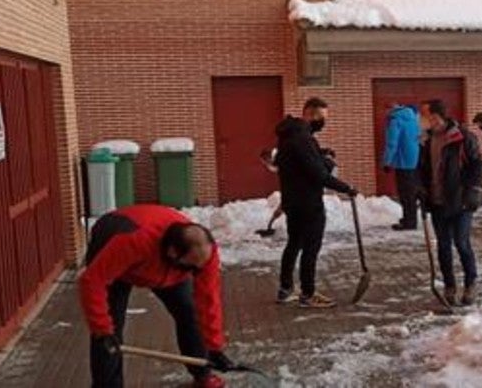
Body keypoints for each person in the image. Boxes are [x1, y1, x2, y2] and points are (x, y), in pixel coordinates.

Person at [79, 205, 235, 388]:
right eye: (190, 267)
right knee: (109, 333)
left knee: (189, 312)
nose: (195, 273)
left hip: (158, 265)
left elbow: (208, 299)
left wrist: (214, 347)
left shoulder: (202, 252)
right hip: (115, 254)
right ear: (172, 253)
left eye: (197, 268)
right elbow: (92, 281)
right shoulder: (133, 241)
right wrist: (102, 329)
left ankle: (202, 372)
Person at [273, 97, 359, 308]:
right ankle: (308, 293)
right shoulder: (302, 138)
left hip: (293, 199)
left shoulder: (289, 134)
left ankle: (285, 289)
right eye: (322, 117)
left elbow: (299, 162)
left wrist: (320, 154)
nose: (323, 122)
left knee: (294, 243)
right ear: (310, 113)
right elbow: (318, 174)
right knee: (311, 247)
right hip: (307, 202)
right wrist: (346, 187)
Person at [418, 98, 482, 306]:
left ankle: (470, 283)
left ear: (436, 116)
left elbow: (479, 164)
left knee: (462, 243)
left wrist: (474, 191)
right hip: (437, 201)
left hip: (460, 200)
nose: (421, 119)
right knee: (443, 246)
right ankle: (449, 285)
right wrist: (420, 188)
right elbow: (423, 169)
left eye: (424, 115)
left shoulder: (463, 137)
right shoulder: (427, 140)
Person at [382, 103, 422, 230]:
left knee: (405, 194)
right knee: (411, 192)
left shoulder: (396, 120)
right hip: (416, 160)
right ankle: (410, 218)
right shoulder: (415, 118)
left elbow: (392, 143)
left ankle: (409, 223)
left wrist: (387, 162)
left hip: (403, 162)